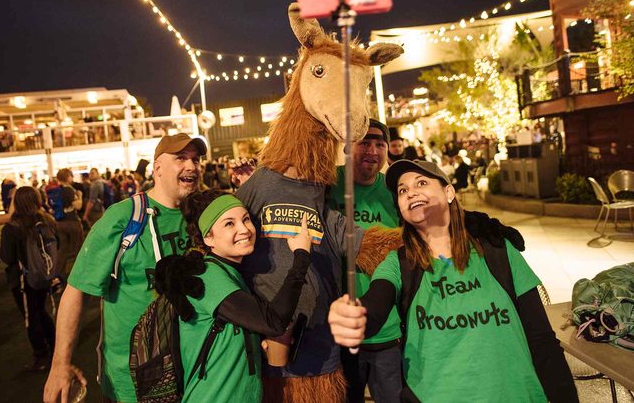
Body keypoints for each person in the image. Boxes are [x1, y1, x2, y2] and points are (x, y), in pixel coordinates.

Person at [328, 160, 579, 403]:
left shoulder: (497, 251)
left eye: (421, 183)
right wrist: (356, 315)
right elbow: (376, 300)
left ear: (449, 192)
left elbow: (542, 340)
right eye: (403, 190)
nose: (410, 192)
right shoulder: (399, 263)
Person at [43, 133, 207, 403]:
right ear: (157, 168)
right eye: (180, 158)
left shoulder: (201, 215)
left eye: (195, 159)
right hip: (134, 382)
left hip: (194, 372)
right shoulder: (123, 217)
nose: (191, 165)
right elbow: (76, 290)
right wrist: (60, 364)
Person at [166, 189, 312, 403]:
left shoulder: (231, 273)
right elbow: (273, 322)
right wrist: (301, 257)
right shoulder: (207, 277)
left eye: (245, 219)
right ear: (208, 237)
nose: (244, 229)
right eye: (229, 224)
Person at [327, 119, 402, 403]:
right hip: (340, 331)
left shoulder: (395, 191)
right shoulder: (328, 184)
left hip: (388, 331)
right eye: (364, 143)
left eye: (379, 144)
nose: (372, 150)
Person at [0, 186, 57, 372]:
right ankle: (55, 345)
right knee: (40, 311)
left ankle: (41, 355)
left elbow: (7, 257)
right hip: (42, 276)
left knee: (31, 317)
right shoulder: (45, 219)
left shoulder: (12, 227)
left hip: (23, 280)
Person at [53, 168, 84, 279]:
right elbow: (78, 206)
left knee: (63, 249)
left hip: (59, 222)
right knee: (78, 248)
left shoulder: (57, 190)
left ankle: (58, 273)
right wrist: (80, 196)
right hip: (72, 222)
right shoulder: (69, 190)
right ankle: (79, 274)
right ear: (67, 177)